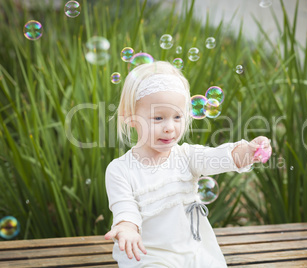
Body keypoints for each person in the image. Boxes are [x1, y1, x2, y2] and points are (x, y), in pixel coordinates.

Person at [104, 61, 272, 267]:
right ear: (130, 118)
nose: (170, 127)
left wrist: (249, 151)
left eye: (177, 117)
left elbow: (220, 158)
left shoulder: (187, 156)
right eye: (158, 117)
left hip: (191, 250)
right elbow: (125, 208)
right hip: (148, 254)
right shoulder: (120, 169)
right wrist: (127, 228)